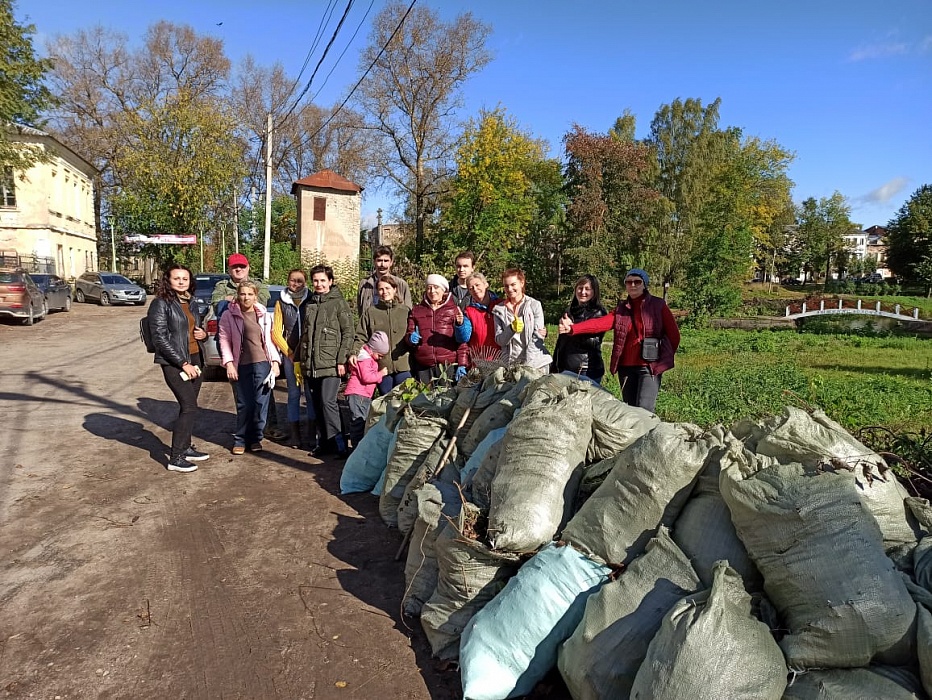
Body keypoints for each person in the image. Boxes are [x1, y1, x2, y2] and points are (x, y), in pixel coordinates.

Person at [559, 268, 680, 412]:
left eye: (637, 282)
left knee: (645, 410)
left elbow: (674, 336)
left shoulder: (658, 305)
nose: (633, 285)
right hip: (626, 368)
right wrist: (573, 329)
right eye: (629, 282)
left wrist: (662, 359)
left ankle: (647, 434)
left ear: (644, 284)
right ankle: (633, 435)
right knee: (629, 410)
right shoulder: (622, 309)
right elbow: (600, 323)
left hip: (649, 366)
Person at [147, 264, 210, 473]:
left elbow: (194, 329)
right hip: (175, 363)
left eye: (185, 278)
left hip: (195, 358)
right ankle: (176, 457)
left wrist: (204, 335)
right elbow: (160, 338)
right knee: (189, 406)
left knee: (190, 408)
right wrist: (183, 363)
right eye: (177, 278)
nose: (182, 282)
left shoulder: (191, 303)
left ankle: (186, 447)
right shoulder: (161, 304)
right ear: (169, 281)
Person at [297, 265, 354, 459]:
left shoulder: (339, 304)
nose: (319, 284)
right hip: (311, 364)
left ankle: (340, 444)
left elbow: (348, 333)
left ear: (330, 281)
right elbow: (305, 335)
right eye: (316, 281)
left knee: (329, 402)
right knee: (316, 404)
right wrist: (300, 360)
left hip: (331, 364)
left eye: (323, 280)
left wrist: (342, 360)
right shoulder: (310, 304)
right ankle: (324, 443)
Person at [218, 281, 281, 454]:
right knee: (244, 404)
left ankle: (255, 439)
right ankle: (240, 440)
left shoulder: (264, 315)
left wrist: (275, 363)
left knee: (261, 404)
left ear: (255, 296)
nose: (246, 297)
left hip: (262, 364)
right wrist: (229, 363)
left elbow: (271, 341)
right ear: (238, 295)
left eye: (250, 294)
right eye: (243, 294)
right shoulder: (228, 316)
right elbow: (224, 341)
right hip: (241, 365)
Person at [271, 268, 316, 448]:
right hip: (290, 356)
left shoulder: (312, 299)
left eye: (299, 281)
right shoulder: (281, 302)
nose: (295, 284)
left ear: (305, 282)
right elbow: (276, 332)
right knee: (293, 394)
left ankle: (312, 433)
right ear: (287, 281)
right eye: (292, 280)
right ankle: (295, 434)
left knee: (311, 395)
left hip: (308, 354)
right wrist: (289, 353)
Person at [351, 275, 412, 396]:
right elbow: (361, 336)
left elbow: (412, 333)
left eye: (388, 288)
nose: (385, 292)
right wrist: (354, 352)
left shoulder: (405, 311)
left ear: (395, 289)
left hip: (403, 364)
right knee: (386, 400)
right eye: (381, 289)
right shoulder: (371, 312)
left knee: (404, 400)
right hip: (381, 366)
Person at [406, 274, 469, 384]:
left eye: (436, 287)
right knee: (424, 399)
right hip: (423, 367)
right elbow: (409, 334)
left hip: (447, 367)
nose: (432, 291)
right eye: (429, 287)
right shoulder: (417, 310)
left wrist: (462, 364)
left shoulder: (454, 310)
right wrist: (410, 338)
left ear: (444, 290)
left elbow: (461, 342)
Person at [492, 268, 553, 371]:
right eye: (506, 286)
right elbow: (500, 341)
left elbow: (538, 336)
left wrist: (527, 366)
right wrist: (511, 329)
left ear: (522, 283)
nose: (510, 289)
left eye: (513, 284)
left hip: (536, 365)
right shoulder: (499, 310)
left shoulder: (534, 305)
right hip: (511, 366)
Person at [551, 274, 609, 384]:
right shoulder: (570, 310)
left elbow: (594, 342)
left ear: (594, 291)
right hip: (565, 367)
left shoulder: (598, 312)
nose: (583, 292)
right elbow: (561, 343)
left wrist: (572, 329)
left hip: (586, 369)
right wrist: (555, 365)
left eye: (587, 289)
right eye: (580, 288)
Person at [344, 331, 391, 449]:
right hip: (358, 394)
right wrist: (381, 374)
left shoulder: (367, 357)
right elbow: (366, 377)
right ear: (373, 350)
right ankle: (357, 448)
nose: (380, 358)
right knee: (358, 422)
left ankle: (359, 446)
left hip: (362, 394)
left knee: (362, 420)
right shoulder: (365, 359)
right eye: (380, 355)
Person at [459, 272, 502, 368]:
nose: (475, 289)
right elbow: (464, 338)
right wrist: (460, 325)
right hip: (480, 363)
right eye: (471, 288)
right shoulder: (468, 312)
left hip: (502, 360)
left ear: (486, 284)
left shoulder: (501, 305)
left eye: (477, 285)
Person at [357, 245, 412, 316]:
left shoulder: (401, 284)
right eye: (379, 260)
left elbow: (408, 311)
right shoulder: (364, 284)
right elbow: (360, 310)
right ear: (374, 262)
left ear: (391, 262)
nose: (382, 264)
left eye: (386, 261)